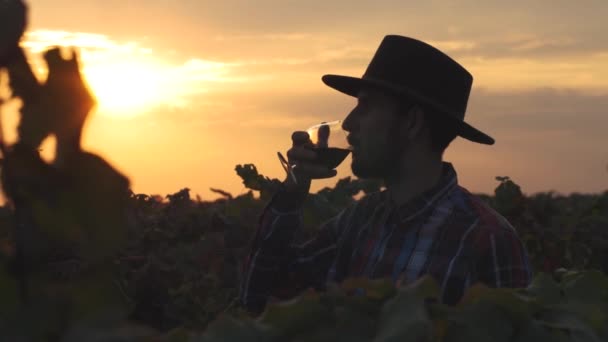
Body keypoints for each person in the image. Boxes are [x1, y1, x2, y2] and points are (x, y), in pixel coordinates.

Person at [239, 35, 532, 314]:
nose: (350, 122)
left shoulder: (486, 239)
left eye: (365, 106)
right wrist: (293, 189)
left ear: (412, 123)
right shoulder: (358, 220)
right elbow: (260, 297)